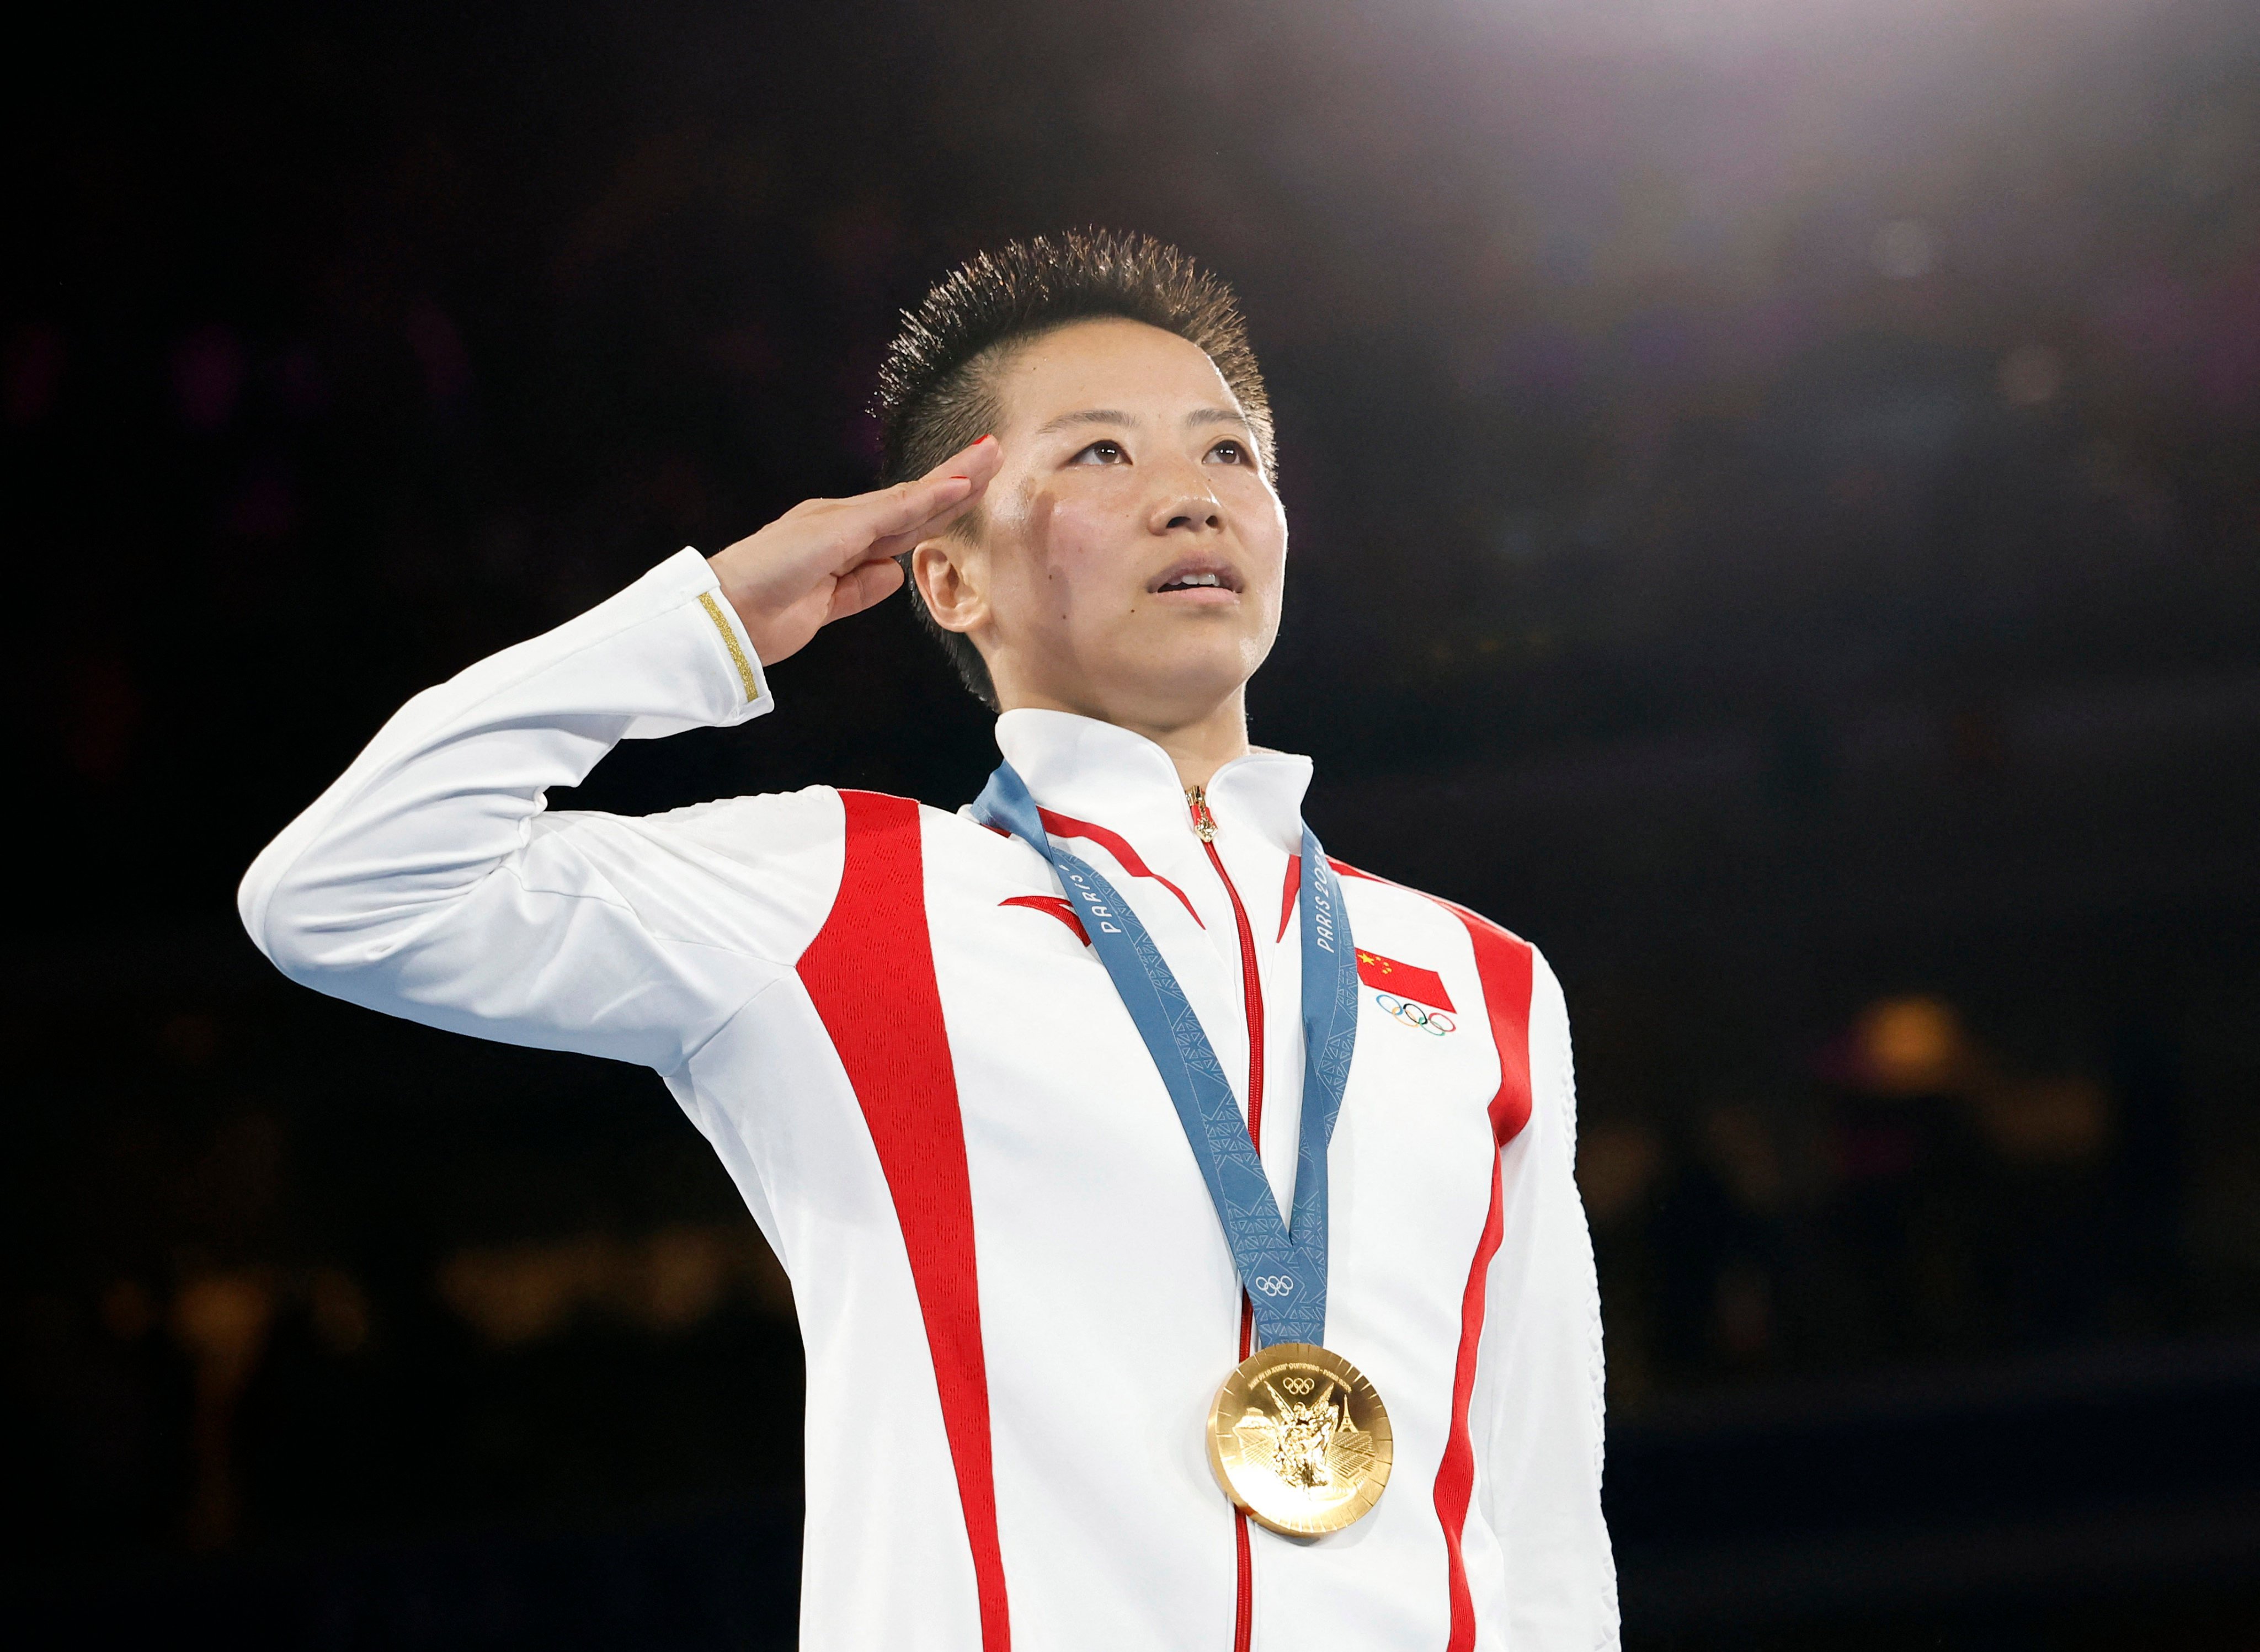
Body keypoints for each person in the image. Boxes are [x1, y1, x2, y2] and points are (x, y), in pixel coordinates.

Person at [240, 232, 1617, 1651]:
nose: (1188, 500)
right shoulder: (841, 897)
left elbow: (1542, 1510)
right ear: (945, 578)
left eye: (1228, 456)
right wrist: (705, 619)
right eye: (1097, 456)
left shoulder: (1480, 978)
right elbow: (341, 894)